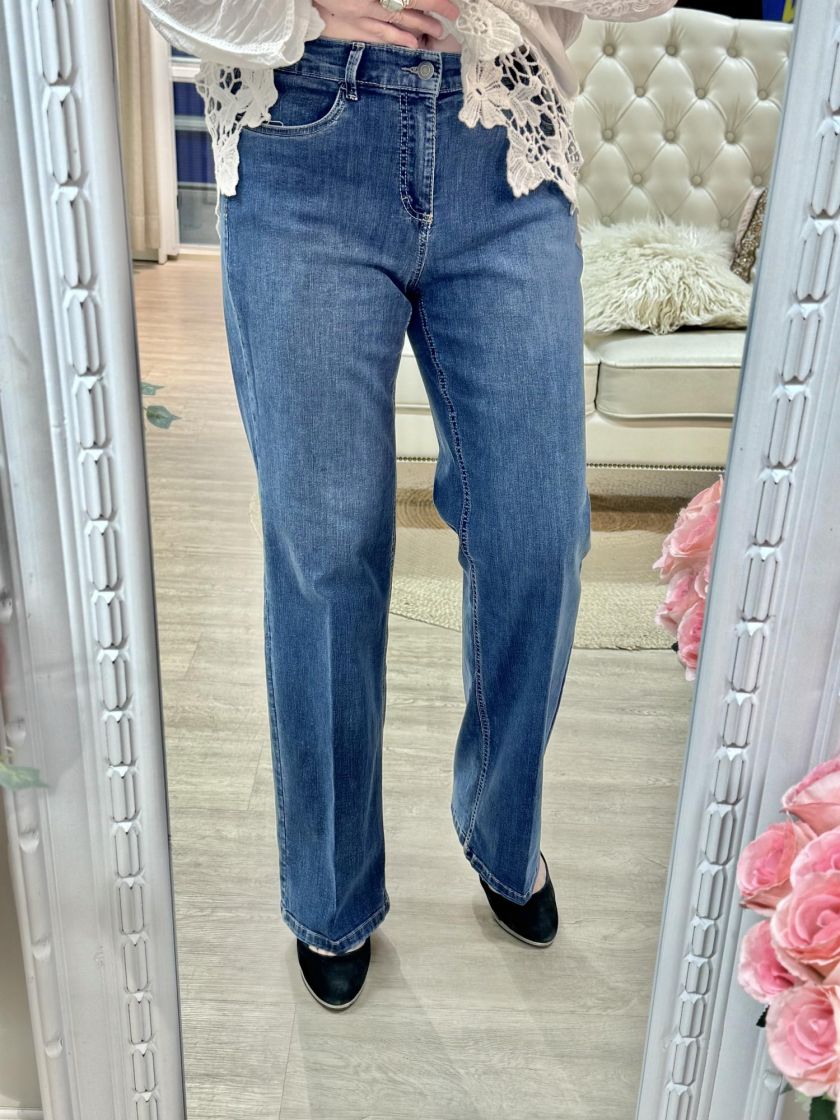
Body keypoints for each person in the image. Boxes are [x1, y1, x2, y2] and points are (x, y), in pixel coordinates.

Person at [139, 0, 677, 1011]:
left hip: (500, 141)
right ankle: (331, 891)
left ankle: (503, 827)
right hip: (304, 136)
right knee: (326, 548)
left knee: (540, 534)